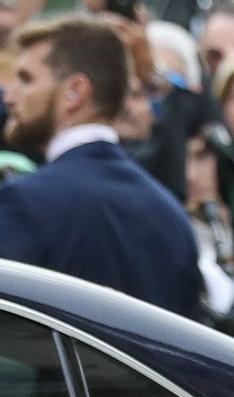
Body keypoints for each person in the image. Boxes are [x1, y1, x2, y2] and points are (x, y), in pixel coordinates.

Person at [0, 16, 199, 318]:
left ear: (74, 92)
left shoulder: (25, 202)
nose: (10, 97)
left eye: (26, 79)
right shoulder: (171, 214)